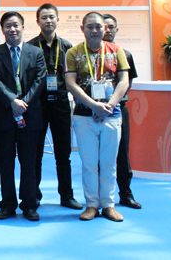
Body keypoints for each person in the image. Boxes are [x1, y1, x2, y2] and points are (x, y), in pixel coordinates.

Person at [65, 12, 130, 222]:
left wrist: (110, 105)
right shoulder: (73, 53)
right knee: (89, 163)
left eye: (98, 27)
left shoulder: (117, 51)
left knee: (109, 163)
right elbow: (70, 83)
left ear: (105, 29)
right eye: (90, 27)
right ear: (82, 28)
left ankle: (108, 205)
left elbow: (124, 81)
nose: (94, 31)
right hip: (84, 115)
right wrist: (93, 105)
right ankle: (92, 204)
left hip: (112, 115)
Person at [0, 11, 46, 222]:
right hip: (4, 114)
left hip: (30, 116)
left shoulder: (36, 52)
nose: (12, 29)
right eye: (8, 26)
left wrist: (23, 104)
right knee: (6, 162)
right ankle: (8, 204)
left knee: (29, 162)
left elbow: (40, 80)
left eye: (16, 25)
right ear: (2, 30)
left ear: (22, 27)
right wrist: (12, 101)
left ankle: (29, 204)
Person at [26, 3, 82, 210]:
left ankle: (66, 196)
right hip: (37, 104)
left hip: (60, 103)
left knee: (63, 153)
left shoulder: (68, 47)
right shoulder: (30, 47)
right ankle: (34, 195)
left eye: (51, 17)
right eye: (44, 17)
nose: (48, 21)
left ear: (58, 19)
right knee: (35, 153)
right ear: (37, 21)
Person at [101, 13, 142, 210]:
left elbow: (128, 83)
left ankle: (126, 193)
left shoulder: (125, 54)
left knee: (122, 153)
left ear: (117, 30)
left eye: (111, 27)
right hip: (95, 109)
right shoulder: (89, 54)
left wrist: (113, 101)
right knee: (98, 155)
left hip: (118, 109)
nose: (107, 30)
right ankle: (99, 196)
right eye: (104, 26)